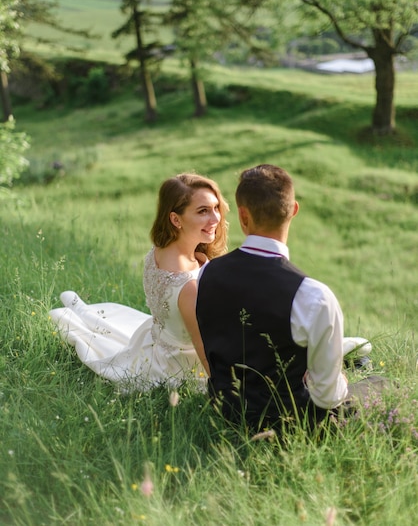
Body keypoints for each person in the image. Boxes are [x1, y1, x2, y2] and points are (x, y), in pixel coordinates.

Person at [196, 164, 373, 432]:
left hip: (224, 411)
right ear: (293, 210)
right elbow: (327, 398)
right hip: (288, 424)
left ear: (243, 216)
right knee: (380, 385)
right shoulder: (314, 295)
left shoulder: (207, 272)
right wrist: (340, 382)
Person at [49, 173, 229, 391]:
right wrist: (225, 391)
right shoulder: (188, 286)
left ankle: (80, 311)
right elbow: (203, 347)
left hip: (156, 345)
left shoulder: (160, 250)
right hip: (181, 366)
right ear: (175, 219)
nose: (216, 218)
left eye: (216, 207)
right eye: (203, 211)